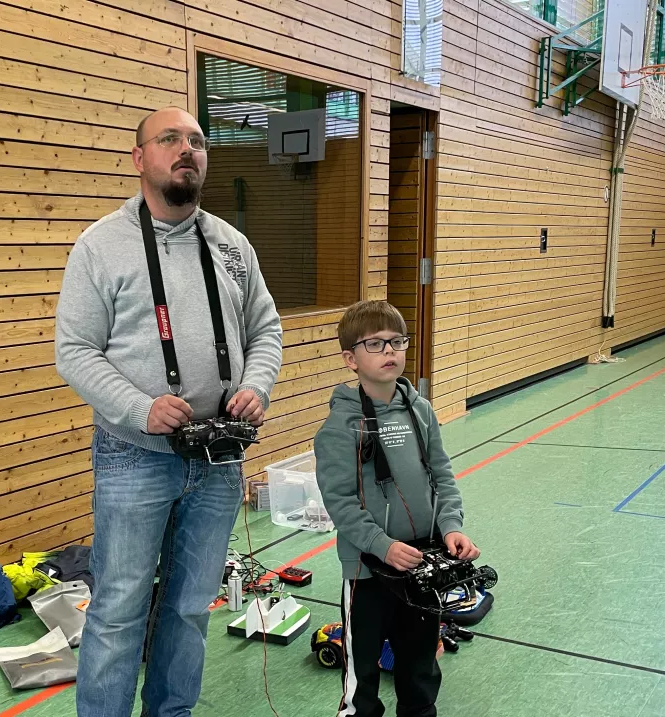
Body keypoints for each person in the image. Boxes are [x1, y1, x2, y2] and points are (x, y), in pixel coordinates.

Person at [55, 107, 283, 717]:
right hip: (134, 457)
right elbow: (73, 351)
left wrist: (257, 386)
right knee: (119, 608)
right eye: (170, 139)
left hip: (218, 460)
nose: (188, 150)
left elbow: (266, 329)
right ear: (139, 158)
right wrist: (139, 407)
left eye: (198, 142)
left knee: (188, 607)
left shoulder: (232, 247)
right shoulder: (101, 247)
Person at [314, 300, 479, 717]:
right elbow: (341, 503)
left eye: (397, 342)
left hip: (422, 564)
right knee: (363, 671)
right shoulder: (339, 429)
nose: (390, 351)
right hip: (369, 572)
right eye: (375, 344)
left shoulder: (420, 411)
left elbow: (440, 475)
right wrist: (382, 545)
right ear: (350, 359)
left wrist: (451, 527)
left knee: (420, 663)